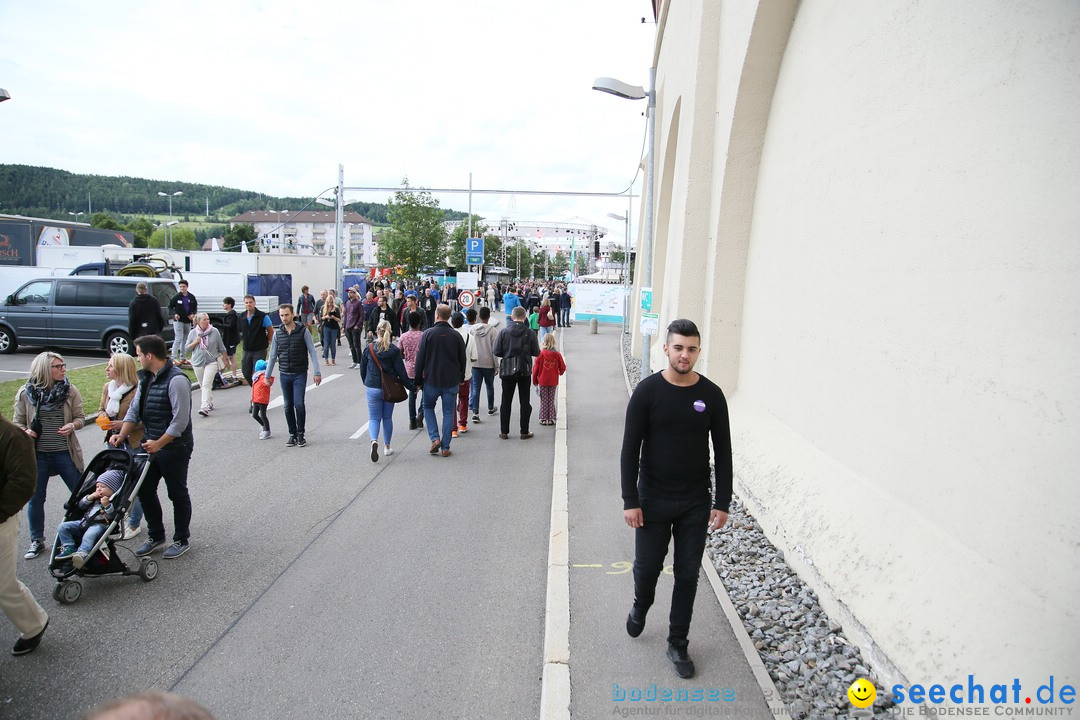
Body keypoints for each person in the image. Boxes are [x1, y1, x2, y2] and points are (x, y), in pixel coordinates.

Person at [620, 319, 732, 679]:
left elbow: (724, 452)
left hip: (695, 502)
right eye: (679, 347)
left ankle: (678, 643)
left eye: (692, 348)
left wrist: (722, 502)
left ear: (699, 351)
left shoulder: (712, 395)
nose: (685, 355)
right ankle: (641, 606)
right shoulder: (648, 392)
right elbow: (629, 449)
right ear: (665, 349)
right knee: (648, 568)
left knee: (687, 574)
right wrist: (630, 499)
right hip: (652, 498)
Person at [110, 334, 195, 560]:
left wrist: (159, 443)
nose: (137, 358)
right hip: (149, 445)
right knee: (145, 490)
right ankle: (156, 535)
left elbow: (180, 421)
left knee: (176, 493)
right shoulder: (146, 377)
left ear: (149, 355)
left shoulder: (177, 380)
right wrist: (122, 434)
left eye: (138, 354)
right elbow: (134, 410)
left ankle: (181, 539)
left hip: (175, 447)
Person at [13, 352, 85, 559]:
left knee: (81, 496)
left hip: (65, 452)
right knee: (36, 499)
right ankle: (37, 541)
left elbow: (80, 417)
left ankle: (84, 532)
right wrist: (25, 431)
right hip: (38, 455)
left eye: (64, 365)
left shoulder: (70, 391)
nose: (63, 369)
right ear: (45, 370)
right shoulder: (26, 393)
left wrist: (73, 425)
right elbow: (17, 421)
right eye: (58, 366)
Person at [0, 411, 50, 656]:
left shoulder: (12, 437)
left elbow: (23, 484)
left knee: (3, 585)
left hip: (2, 521)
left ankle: (34, 625)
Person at [97, 353, 144, 539]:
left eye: (110, 366)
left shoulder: (138, 389)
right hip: (113, 441)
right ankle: (115, 518)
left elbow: (143, 419)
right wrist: (105, 419)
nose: (106, 369)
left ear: (121, 369)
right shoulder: (108, 387)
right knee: (114, 481)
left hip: (133, 442)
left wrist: (122, 425)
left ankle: (134, 523)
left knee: (137, 484)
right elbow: (101, 408)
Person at [264, 304, 322, 448]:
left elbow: (313, 352)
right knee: (288, 406)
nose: (284, 318)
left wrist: (317, 372)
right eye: (282, 315)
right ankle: (292, 434)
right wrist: (267, 375)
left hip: (299, 373)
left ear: (293, 315)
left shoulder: (303, 331)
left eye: (286, 315)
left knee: (299, 404)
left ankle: (301, 434)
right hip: (284, 373)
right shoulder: (278, 334)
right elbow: (272, 356)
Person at [414, 304, 466, 457]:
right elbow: (462, 359)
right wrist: (461, 377)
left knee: (428, 407)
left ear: (436, 315)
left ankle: (434, 438)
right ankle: (445, 447)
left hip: (431, 380)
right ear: (449, 316)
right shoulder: (456, 336)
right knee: (449, 413)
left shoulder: (428, 334)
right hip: (451, 381)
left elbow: (420, 360)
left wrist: (417, 380)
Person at [360, 319, 413, 462]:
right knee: (387, 418)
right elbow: (401, 373)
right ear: (390, 332)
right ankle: (387, 446)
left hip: (372, 387)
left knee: (374, 418)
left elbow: (363, 368)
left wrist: (366, 381)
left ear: (377, 331)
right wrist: (412, 387)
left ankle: (373, 441)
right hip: (388, 389)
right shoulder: (394, 350)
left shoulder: (369, 348)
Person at [55, 467, 124, 569]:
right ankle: (69, 547)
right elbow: (81, 506)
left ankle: (82, 553)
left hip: (100, 525)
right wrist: (90, 497)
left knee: (89, 535)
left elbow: (111, 516)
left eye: (103, 487)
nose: (99, 489)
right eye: (97, 486)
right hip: (84, 521)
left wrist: (107, 505)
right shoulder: (94, 498)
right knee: (63, 527)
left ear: (113, 489)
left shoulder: (112, 501)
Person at [492, 306, 540, 440]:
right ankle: (524, 431)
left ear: (512, 317)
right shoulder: (530, 333)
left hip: (507, 370)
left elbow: (496, 351)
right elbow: (536, 352)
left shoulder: (503, 332)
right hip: (524, 370)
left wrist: (508, 355)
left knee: (506, 401)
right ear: (525, 317)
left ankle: (504, 431)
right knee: (525, 401)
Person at [186, 313, 226, 417]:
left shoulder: (214, 331)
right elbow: (187, 349)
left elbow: (221, 347)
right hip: (197, 362)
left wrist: (226, 359)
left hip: (211, 361)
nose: (207, 321)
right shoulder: (193, 333)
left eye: (208, 319)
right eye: (204, 320)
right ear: (198, 322)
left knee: (206, 384)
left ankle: (204, 406)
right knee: (202, 384)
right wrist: (195, 342)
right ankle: (209, 401)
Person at [468, 306, 499, 422]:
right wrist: (497, 365)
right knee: (489, 386)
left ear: (479, 317)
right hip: (489, 363)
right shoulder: (493, 331)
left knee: (475, 388)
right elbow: (495, 350)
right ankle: (491, 407)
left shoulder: (472, 330)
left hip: (475, 363)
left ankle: (475, 412)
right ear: (489, 317)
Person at [450, 313, 477, 436]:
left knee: (451, 401)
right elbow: (474, 357)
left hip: (450, 376)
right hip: (465, 373)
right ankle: (462, 424)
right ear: (463, 322)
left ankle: (453, 429)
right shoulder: (469, 337)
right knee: (464, 399)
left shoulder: (448, 336)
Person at [398, 311, 425, 431]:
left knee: (412, 396)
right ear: (420, 322)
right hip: (424, 370)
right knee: (427, 394)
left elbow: (400, 353)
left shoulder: (403, 336)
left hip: (409, 369)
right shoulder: (424, 336)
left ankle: (412, 420)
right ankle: (421, 413)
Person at [532, 332, 566, 426]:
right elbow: (563, 367)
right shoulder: (557, 354)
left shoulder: (540, 354)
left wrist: (534, 380)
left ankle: (543, 418)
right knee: (551, 399)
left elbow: (536, 368)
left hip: (542, 380)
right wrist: (560, 372)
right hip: (553, 380)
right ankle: (551, 418)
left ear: (544, 342)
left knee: (543, 399)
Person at [239, 295, 274, 386]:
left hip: (259, 350)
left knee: (257, 373)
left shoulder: (262, 316)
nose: (248, 304)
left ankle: (257, 396)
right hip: (246, 350)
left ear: (254, 303)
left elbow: (270, 330)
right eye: (246, 303)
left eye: (250, 302)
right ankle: (255, 390)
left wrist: (268, 342)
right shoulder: (242, 316)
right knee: (245, 372)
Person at [167, 280, 197, 366]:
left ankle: (183, 357)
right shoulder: (176, 297)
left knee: (185, 339)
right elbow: (170, 307)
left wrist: (193, 314)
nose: (182, 288)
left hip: (187, 321)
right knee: (178, 338)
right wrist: (174, 314)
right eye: (180, 287)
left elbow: (195, 307)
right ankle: (173, 357)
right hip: (178, 320)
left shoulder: (191, 297)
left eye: (184, 287)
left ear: (187, 287)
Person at [128, 281, 164, 349]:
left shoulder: (133, 303)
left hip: (140, 333)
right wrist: (159, 330)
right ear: (146, 289)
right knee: (153, 351)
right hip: (153, 331)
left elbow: (132, 320)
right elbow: (159, 316)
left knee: (143, 352)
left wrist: (132, 336)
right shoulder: (153, 300)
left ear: (136, 290)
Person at [250, 359, 272, 439]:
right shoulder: (255, 377)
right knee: (254, 414)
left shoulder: (263, 376)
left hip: (262, 399)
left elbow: (269, 382)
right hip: (256, 399)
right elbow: (254, 388)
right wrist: (252, 399)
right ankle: (263, 426)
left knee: (263, 415)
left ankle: (267, 430)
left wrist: (268, 380)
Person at [343, 287, 365, 369]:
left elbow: (362, 315)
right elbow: (346, 314)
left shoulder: (358, 303)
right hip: (348, 326)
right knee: (351, 345)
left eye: (351, 292)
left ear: (355, 293)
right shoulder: (348, 303)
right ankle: (354, 361)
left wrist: (358, 325)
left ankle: (360, 361)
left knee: (356, 345)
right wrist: (344, 325)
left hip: (355, 326)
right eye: (348, 293)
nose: (349, 294)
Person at [220, 297, 240, 382]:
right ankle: (233, 375)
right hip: (230, 339)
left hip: (230, 340)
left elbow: (229, 326)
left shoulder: (231, 315)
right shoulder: (231, 314)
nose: (223, 305)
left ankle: (219, 375)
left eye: (224, 303)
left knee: (225, 358)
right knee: (232, 358)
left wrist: (218, 325)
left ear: (229, 305)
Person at [321, 296, 341, 365]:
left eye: (331, 302)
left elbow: (339, 319)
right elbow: (321, 318)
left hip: (334, 327)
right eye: (328, 302)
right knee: (326, 344)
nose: (330, 304)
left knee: (333, 344)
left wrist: (334, 317)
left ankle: (333, 359)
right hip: (326, 327)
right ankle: (326, 360)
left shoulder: (336, 309)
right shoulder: (324, 308)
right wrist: (326, 317)